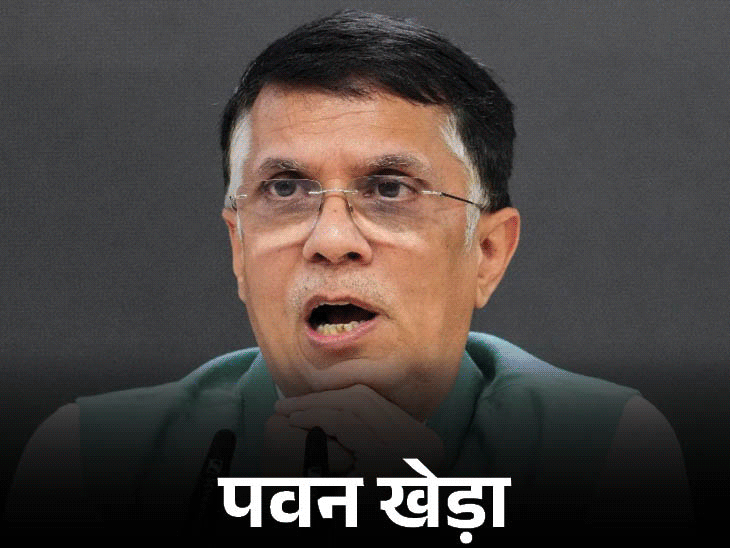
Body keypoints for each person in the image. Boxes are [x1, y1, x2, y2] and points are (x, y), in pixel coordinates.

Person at [7, 10, 690, 532]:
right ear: (238, 249)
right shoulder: (89, 460)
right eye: (285, 190)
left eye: (390, 189)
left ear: (486, 253)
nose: (331, 240)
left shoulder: (606, 452)